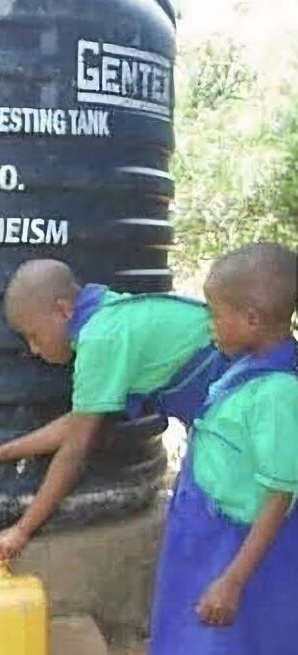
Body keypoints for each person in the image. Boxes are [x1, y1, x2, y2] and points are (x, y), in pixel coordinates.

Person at [0, 259, 227, 560]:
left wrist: (21, 530)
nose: (33, 348)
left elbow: (75, 450)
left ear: (62, 310)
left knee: (209, 528)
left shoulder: (99, 339)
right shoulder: (106, 314)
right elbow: (79, 422)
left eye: (33, 335)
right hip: (232, 409)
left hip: (237, 418)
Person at [149, 242, 298, 655]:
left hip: (236, 550)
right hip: (204, 542)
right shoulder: (245, 368)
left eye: (216, 313)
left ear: (252, 319)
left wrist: (233, 580)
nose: (210, 324)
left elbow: (278, 496)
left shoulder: (278, 394)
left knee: (227, 641)